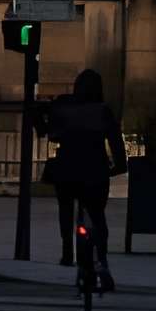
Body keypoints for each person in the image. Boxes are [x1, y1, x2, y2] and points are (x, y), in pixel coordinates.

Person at [44, 68, 124, 292]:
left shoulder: (65, 108)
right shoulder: (103, 111)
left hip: (68, 169)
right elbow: (116, 143)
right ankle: (102, 260)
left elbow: (52, 135)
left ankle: (67, 252)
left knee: (66, 208)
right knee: (97, 216)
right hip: (95, 170)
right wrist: (118, 166)